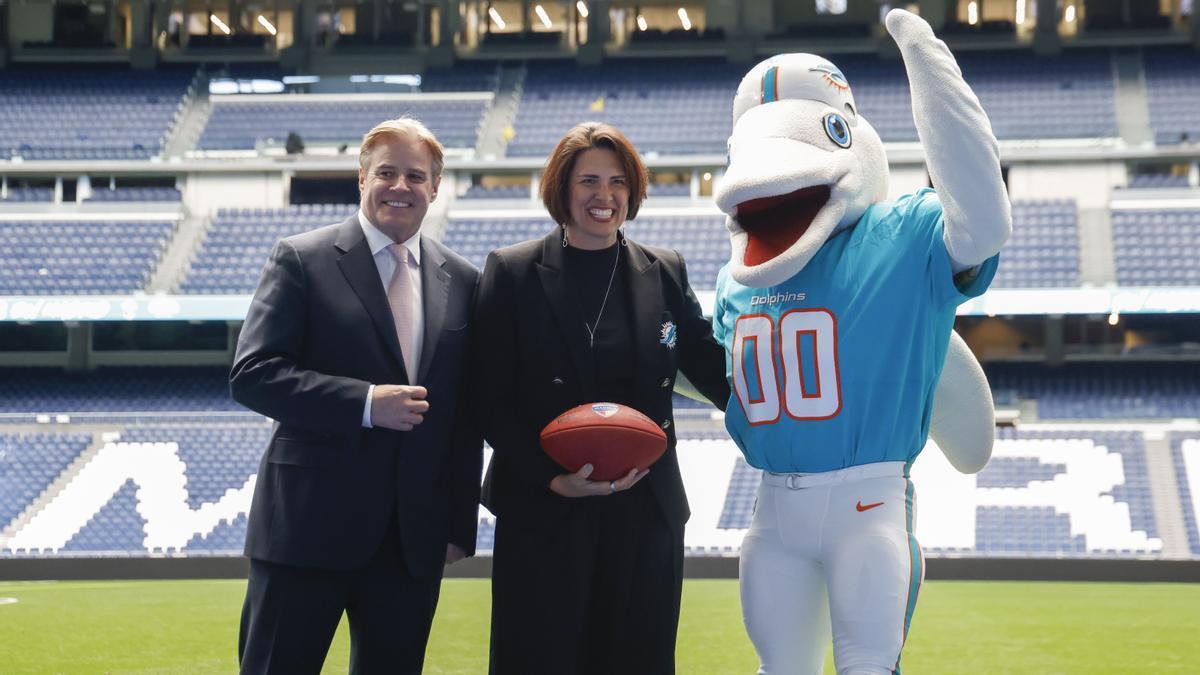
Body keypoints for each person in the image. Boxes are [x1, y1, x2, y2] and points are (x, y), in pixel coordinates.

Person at [712, 11, 1010, 674]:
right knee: (778, 667)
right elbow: (705, 367)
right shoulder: (736, 279)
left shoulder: (900, 235)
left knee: (868, 666)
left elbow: (980, 221)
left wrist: (928, 66)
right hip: (772, 501)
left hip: (867, 500)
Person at [473, 122, 730, 674]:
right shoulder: (511, 272)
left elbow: (711, 365)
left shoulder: (664, 270)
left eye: (617, 182)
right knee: (538, 658)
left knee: (638, 659)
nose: (604, 195)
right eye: (588, 180)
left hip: (645, 508)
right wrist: (550, 475)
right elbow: (487, 397)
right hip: (545, 506)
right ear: (562, 188)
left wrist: (784, 409)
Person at [230, 117, 482, 674]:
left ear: (435, 188)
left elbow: (464, 413)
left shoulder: (463, 279)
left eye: (415, 175)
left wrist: (458, 522)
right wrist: (366, 404)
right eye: (386, 172)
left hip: (410, 542)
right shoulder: (302, 258)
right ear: (361, 178)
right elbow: (252, 372)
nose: (401, 186)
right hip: (306, 532)